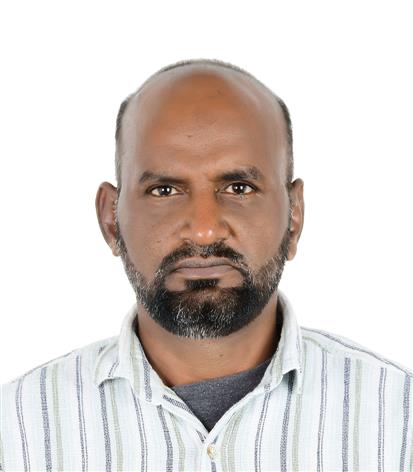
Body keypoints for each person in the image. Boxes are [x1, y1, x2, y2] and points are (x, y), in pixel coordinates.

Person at [1, 59, 412, 472]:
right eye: (164, 190)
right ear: (111, 220)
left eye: (239, 188)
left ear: (294, 217)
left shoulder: (399, 424)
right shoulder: (17, 432)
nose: (203, 230)